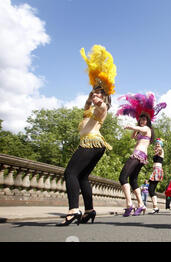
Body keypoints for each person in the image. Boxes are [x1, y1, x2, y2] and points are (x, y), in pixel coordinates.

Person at [57, 45, 116, 226]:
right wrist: (92, 95)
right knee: (82, 177)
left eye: (99, 93)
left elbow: (102, 107)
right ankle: (89, 210)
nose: (95, 95)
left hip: (91, 142)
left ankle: (74, 210)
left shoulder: (102, 107)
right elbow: (87, 107)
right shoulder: (89, 109)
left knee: (70, 173)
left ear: (104, 96)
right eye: (94, 92)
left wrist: (99, 99)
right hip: (96, 145)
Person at [116, 92, 166, 217]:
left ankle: (129, 204)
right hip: (141, 156)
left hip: (138, 154)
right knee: (133, 180)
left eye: (144, 119)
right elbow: (134, 137)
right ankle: (141, 204)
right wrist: (135, 128)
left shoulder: (147, 129)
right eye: (141, 119)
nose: (142, 121)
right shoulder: (140, 130)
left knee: (123, 177)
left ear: (148, 121)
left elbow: (142, 129)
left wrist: (133, 127)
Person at [148, 138, 165, 214]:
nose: (157, 145)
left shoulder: (161, 151)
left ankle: (155, 207)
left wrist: (159, 149)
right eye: (156, 144)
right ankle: (155, 207)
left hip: (157, 170)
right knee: (151, 189)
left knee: (151, 189)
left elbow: (160, 151)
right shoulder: (156, 152)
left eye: (159, 144)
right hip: (155, 170)